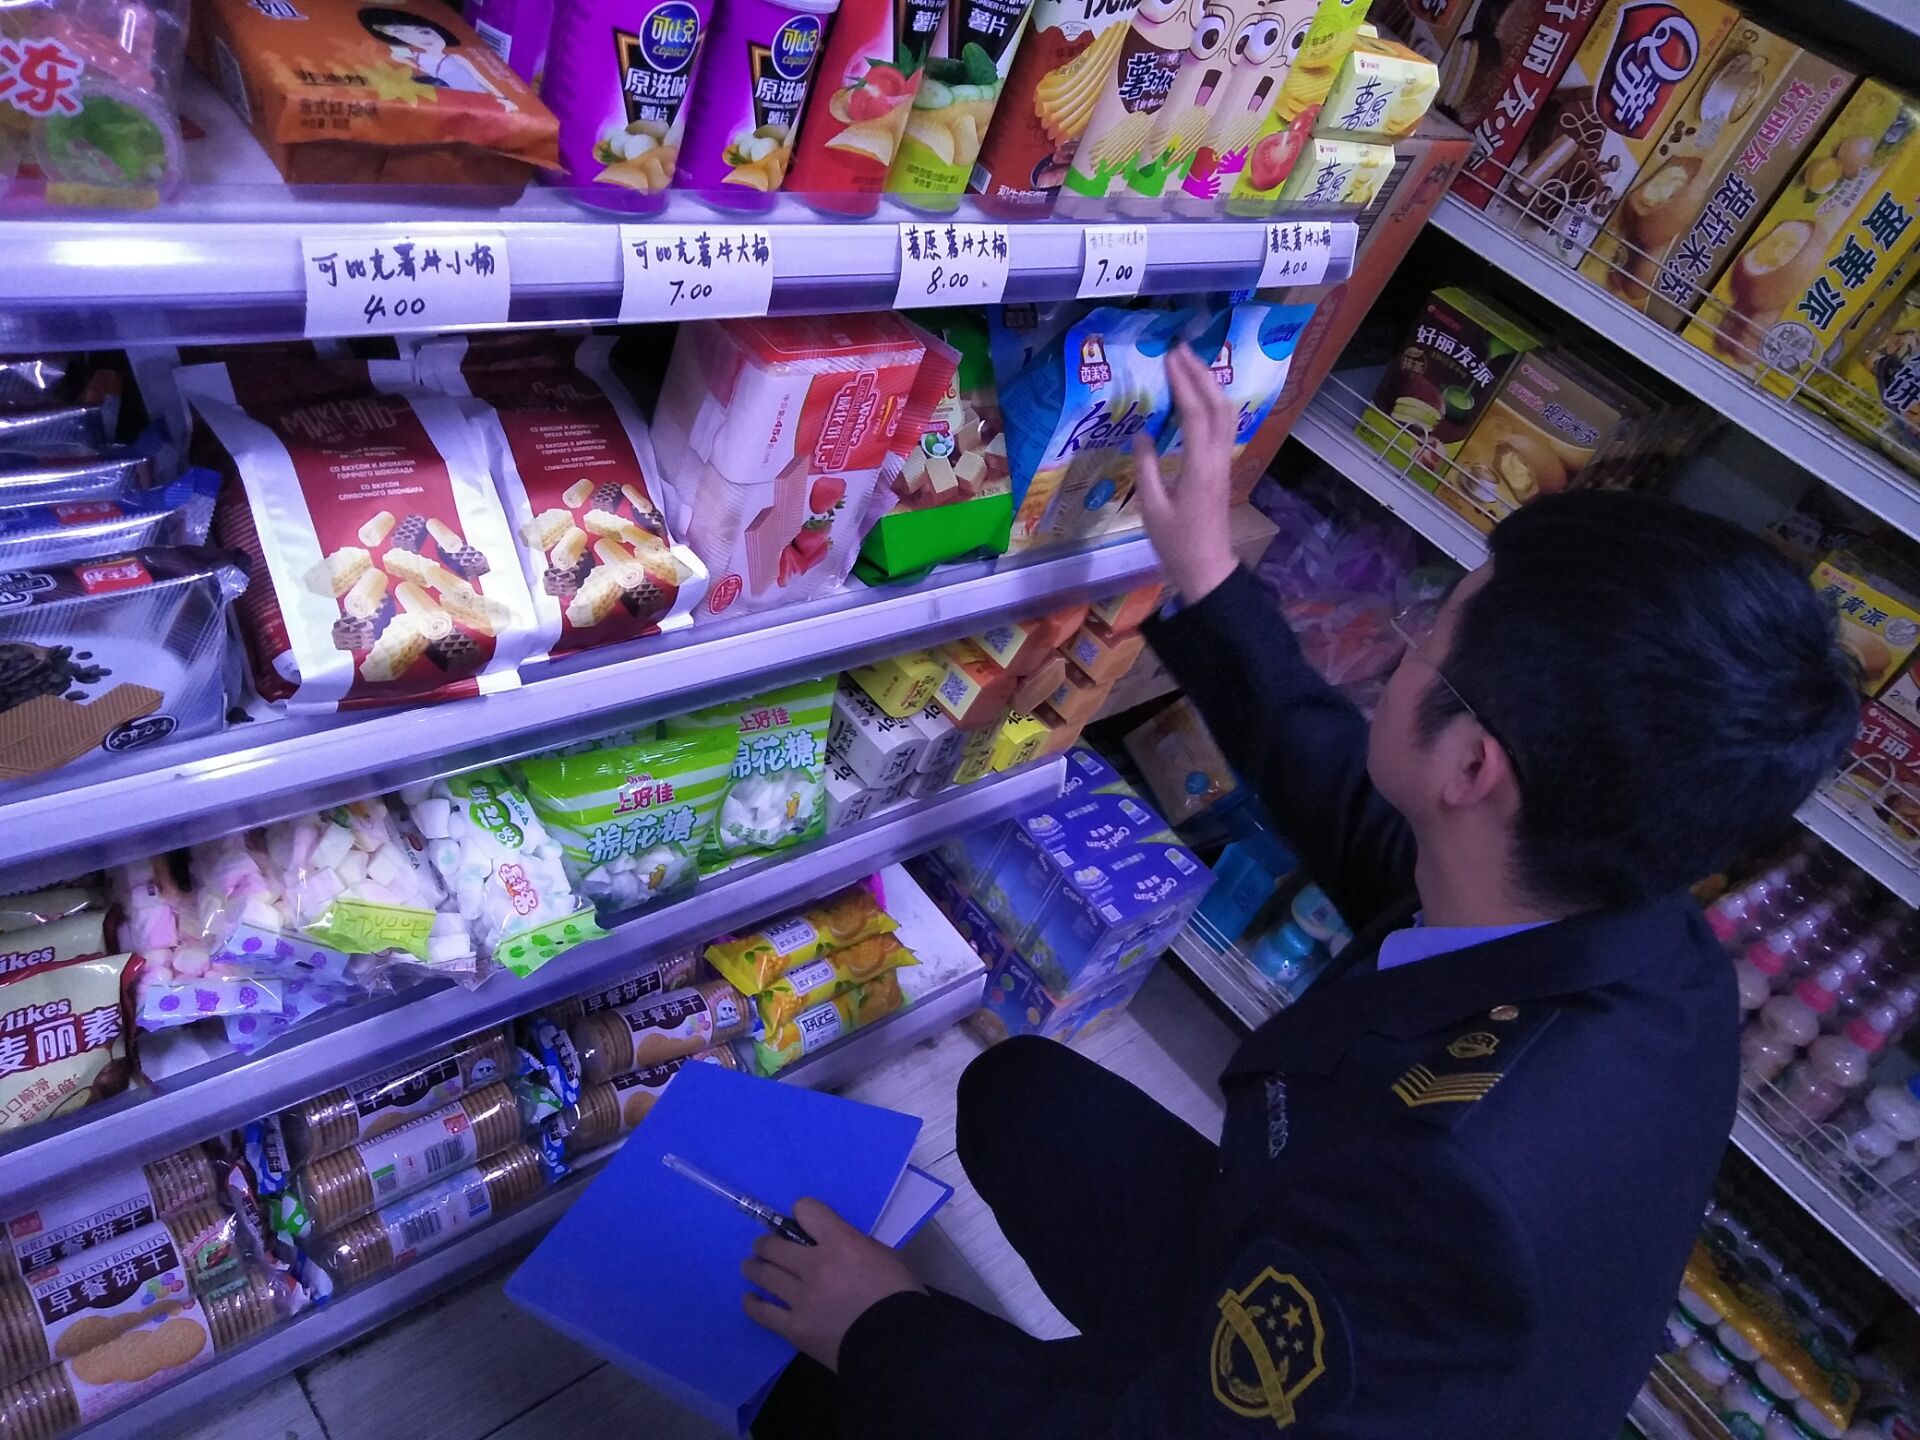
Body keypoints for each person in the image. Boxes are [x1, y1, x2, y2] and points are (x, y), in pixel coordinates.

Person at [742, 343, 1860, 1437]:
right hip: (1295, 1235)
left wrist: (881, 1327)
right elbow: (1370, 823)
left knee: (819, 1399)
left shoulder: (1448, 1201)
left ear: (1474, 766)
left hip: (1315, 1375)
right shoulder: (1631, 915)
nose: (1409, 643)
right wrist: (1208, 578)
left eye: (1433, 630)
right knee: (1023, 1100)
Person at [357, 7, 517, 107]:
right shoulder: (414, 57)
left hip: (481, 102)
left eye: (425, 32)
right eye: (403, 34)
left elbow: (481, 81)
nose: (423, 38)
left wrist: (502, 98)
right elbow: (396, 58)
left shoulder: (457, 58)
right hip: (455, 105)